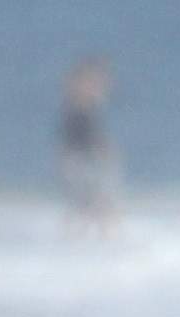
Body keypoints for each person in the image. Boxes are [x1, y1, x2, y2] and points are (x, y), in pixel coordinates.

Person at [58, 57, 123, 237]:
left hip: (85, 158)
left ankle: (97, 237)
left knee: (91, 202)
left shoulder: (84, 108)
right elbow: (80, 137)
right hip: (82, 159)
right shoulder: (78, 107)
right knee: (91, 201)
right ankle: (97, 236)